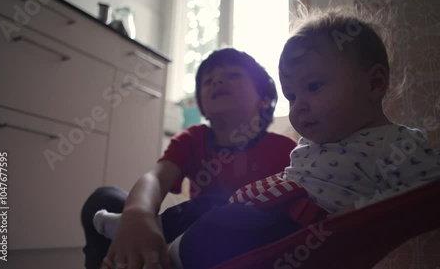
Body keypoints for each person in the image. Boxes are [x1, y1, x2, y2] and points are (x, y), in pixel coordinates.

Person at [95, 6, 440, 269]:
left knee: (220, 227)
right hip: (257, 208)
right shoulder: (311, 146)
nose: (299, 106)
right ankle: (148, 229)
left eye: (313, 87)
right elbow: (157, 178)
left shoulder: (397, 144)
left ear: (373, 83)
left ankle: (167, 256)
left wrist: (361, 214)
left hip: (295, 228)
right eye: (293, 96)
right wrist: (138, 216)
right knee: (204, 208)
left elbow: (432, 194)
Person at [81, 48, 297, 269]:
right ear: (203, 107)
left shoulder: (288, 150)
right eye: (208, 80)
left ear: (264, 99)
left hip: (245, 250)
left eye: (233, 75)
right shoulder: (192, 139)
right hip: (187, 235)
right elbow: (156, 178)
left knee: (224, 203)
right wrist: (138, 215)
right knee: (104, 199)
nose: (217, 81)